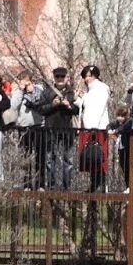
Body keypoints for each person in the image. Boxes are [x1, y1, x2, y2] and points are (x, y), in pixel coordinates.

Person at [39, 66, 78, 190]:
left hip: (67, 129)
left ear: (66, 78)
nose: (60, 79)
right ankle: (51, 185)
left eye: (62, 76)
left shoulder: (72, 92)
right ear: (54, 78)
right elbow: (41, 109)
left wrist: (68, 105)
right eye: (58, 76)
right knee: (50, 158)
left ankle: (67, 186)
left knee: (68, 159)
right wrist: (53, 105)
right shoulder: (46, 92)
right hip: (51, 128)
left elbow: (77, 110)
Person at [77, 64, 111, 192]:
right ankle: (94, 184)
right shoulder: (88, 91)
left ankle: (100, 185)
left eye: (89, 76)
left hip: (97, 128)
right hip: (88, 127)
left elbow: (99, 108)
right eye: (85, 76)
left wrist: (93, 127)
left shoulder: (101, 89)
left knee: (98, 155)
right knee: (90, 156)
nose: (87, 79)